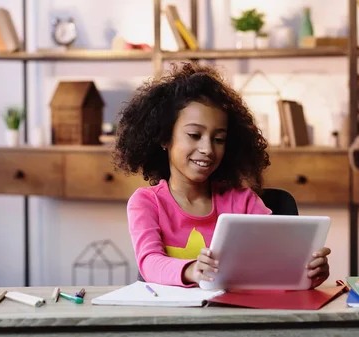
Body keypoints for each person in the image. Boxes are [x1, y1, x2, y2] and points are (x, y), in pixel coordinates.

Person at [113, 62, 331, 288]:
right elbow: (149, 263)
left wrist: (309, 272)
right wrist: (191, 270)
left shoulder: (243, 201)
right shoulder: (147, 202)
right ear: (165, 138)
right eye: (194, 135)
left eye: (218, 139)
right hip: (172, 319)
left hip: (235, 317)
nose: (207, 149)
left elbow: (277, 261)